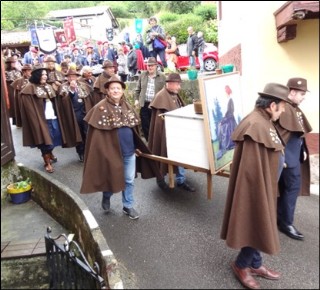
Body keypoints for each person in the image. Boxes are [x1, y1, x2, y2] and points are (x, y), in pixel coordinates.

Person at [220, 83, 290, 289]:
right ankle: (241, 265)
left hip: (266, 184)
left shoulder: (263, 120)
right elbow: (251, 168)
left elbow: (267, 151)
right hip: (256, 188)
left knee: (258, 223)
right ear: (272, 105)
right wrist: (259, 192)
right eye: (282, 106)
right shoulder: (255, 125)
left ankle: (256, 263)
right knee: (258, 222)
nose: (284, 110)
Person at [80, 76, 161, 219]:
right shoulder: (100, 108)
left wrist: (137, 146)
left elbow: (134, 129)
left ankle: (128, 206)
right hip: (111, 153)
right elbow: (96, 137)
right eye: (113, 88)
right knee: (112, 179)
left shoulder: (127, 106)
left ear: (123, 90)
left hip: (129, 152)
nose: (116, 91)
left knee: (129, 180)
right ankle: (107, 194)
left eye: (118, 88)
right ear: (108, 91)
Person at [19, 65, 82, 173]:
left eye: (45, 74)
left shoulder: (48, 86)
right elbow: (29, 109)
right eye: (43, 74)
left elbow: (58, 99)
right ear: (37, 75)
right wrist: (36, 122)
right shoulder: (28, 89)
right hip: (41, 120)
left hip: (53, 117)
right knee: (45, 141)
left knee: (56, 138)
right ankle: (47, 162)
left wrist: (67, 91)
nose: (45, 76)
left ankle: (50, 153)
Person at [275, 78, 312, 241]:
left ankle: (279, 218)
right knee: (291, 188)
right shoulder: (285, 108)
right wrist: (283, 156)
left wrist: (302, 149)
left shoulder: (294, 108)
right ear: (292, 92)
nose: (303, 97)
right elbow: (280, 135)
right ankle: (286, 223)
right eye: (302, 93)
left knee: (284, 189)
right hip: (287, 159)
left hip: (292, 155)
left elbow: (298, 132)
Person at [148, 73, 196, 192]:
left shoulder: (174, 94)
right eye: (177, 84)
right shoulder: (161, 97)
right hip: (165, 134)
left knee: (180, 156)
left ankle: (181, 180)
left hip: (177, 133)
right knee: (162, 154)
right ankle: (160, 179)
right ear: (169, 84)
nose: (179, 87)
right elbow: (159, 122)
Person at [57, 69, 94, 162]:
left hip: (84, 112)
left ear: (77, 77)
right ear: (67, 78)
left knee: (87, 132)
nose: (72, 78)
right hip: (74, 114)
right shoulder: (63, 87)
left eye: (73, 76)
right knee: (78, 134)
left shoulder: (83, 85)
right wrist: (72, 90)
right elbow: (64, 101)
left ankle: (88, 151)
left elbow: (89, 97)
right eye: (69, 76)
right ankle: (81, 152)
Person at [134, 57, 166, 142]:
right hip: (144, 104)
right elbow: (137, 89)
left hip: (155, 104)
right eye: (148, 65)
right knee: (145, 125)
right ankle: (149, 142)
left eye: (152, 66)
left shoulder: (162, 76)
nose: (150, 67)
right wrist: (136, 100)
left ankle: (156, 142)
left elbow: (165, 91)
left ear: (156, 66)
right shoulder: (143, 75)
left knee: (155, 124)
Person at [216, 85, 238, 160]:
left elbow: (230, 113)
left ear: (227, 92)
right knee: (220, 126)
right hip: (229, 119)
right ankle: (222, 147)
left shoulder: (230, 100)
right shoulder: (229, 100)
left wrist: (223, 121)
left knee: (221, 127)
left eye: (225, 92)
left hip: (230, 121)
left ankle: (224, 147)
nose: (224, 94)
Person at [10, 64, 33, 128]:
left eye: (30, 70)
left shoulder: (33, 79)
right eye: (28, 71)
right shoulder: (19, 81)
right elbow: (17, 93)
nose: (30, 72)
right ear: (24, 72)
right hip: (22, 99)